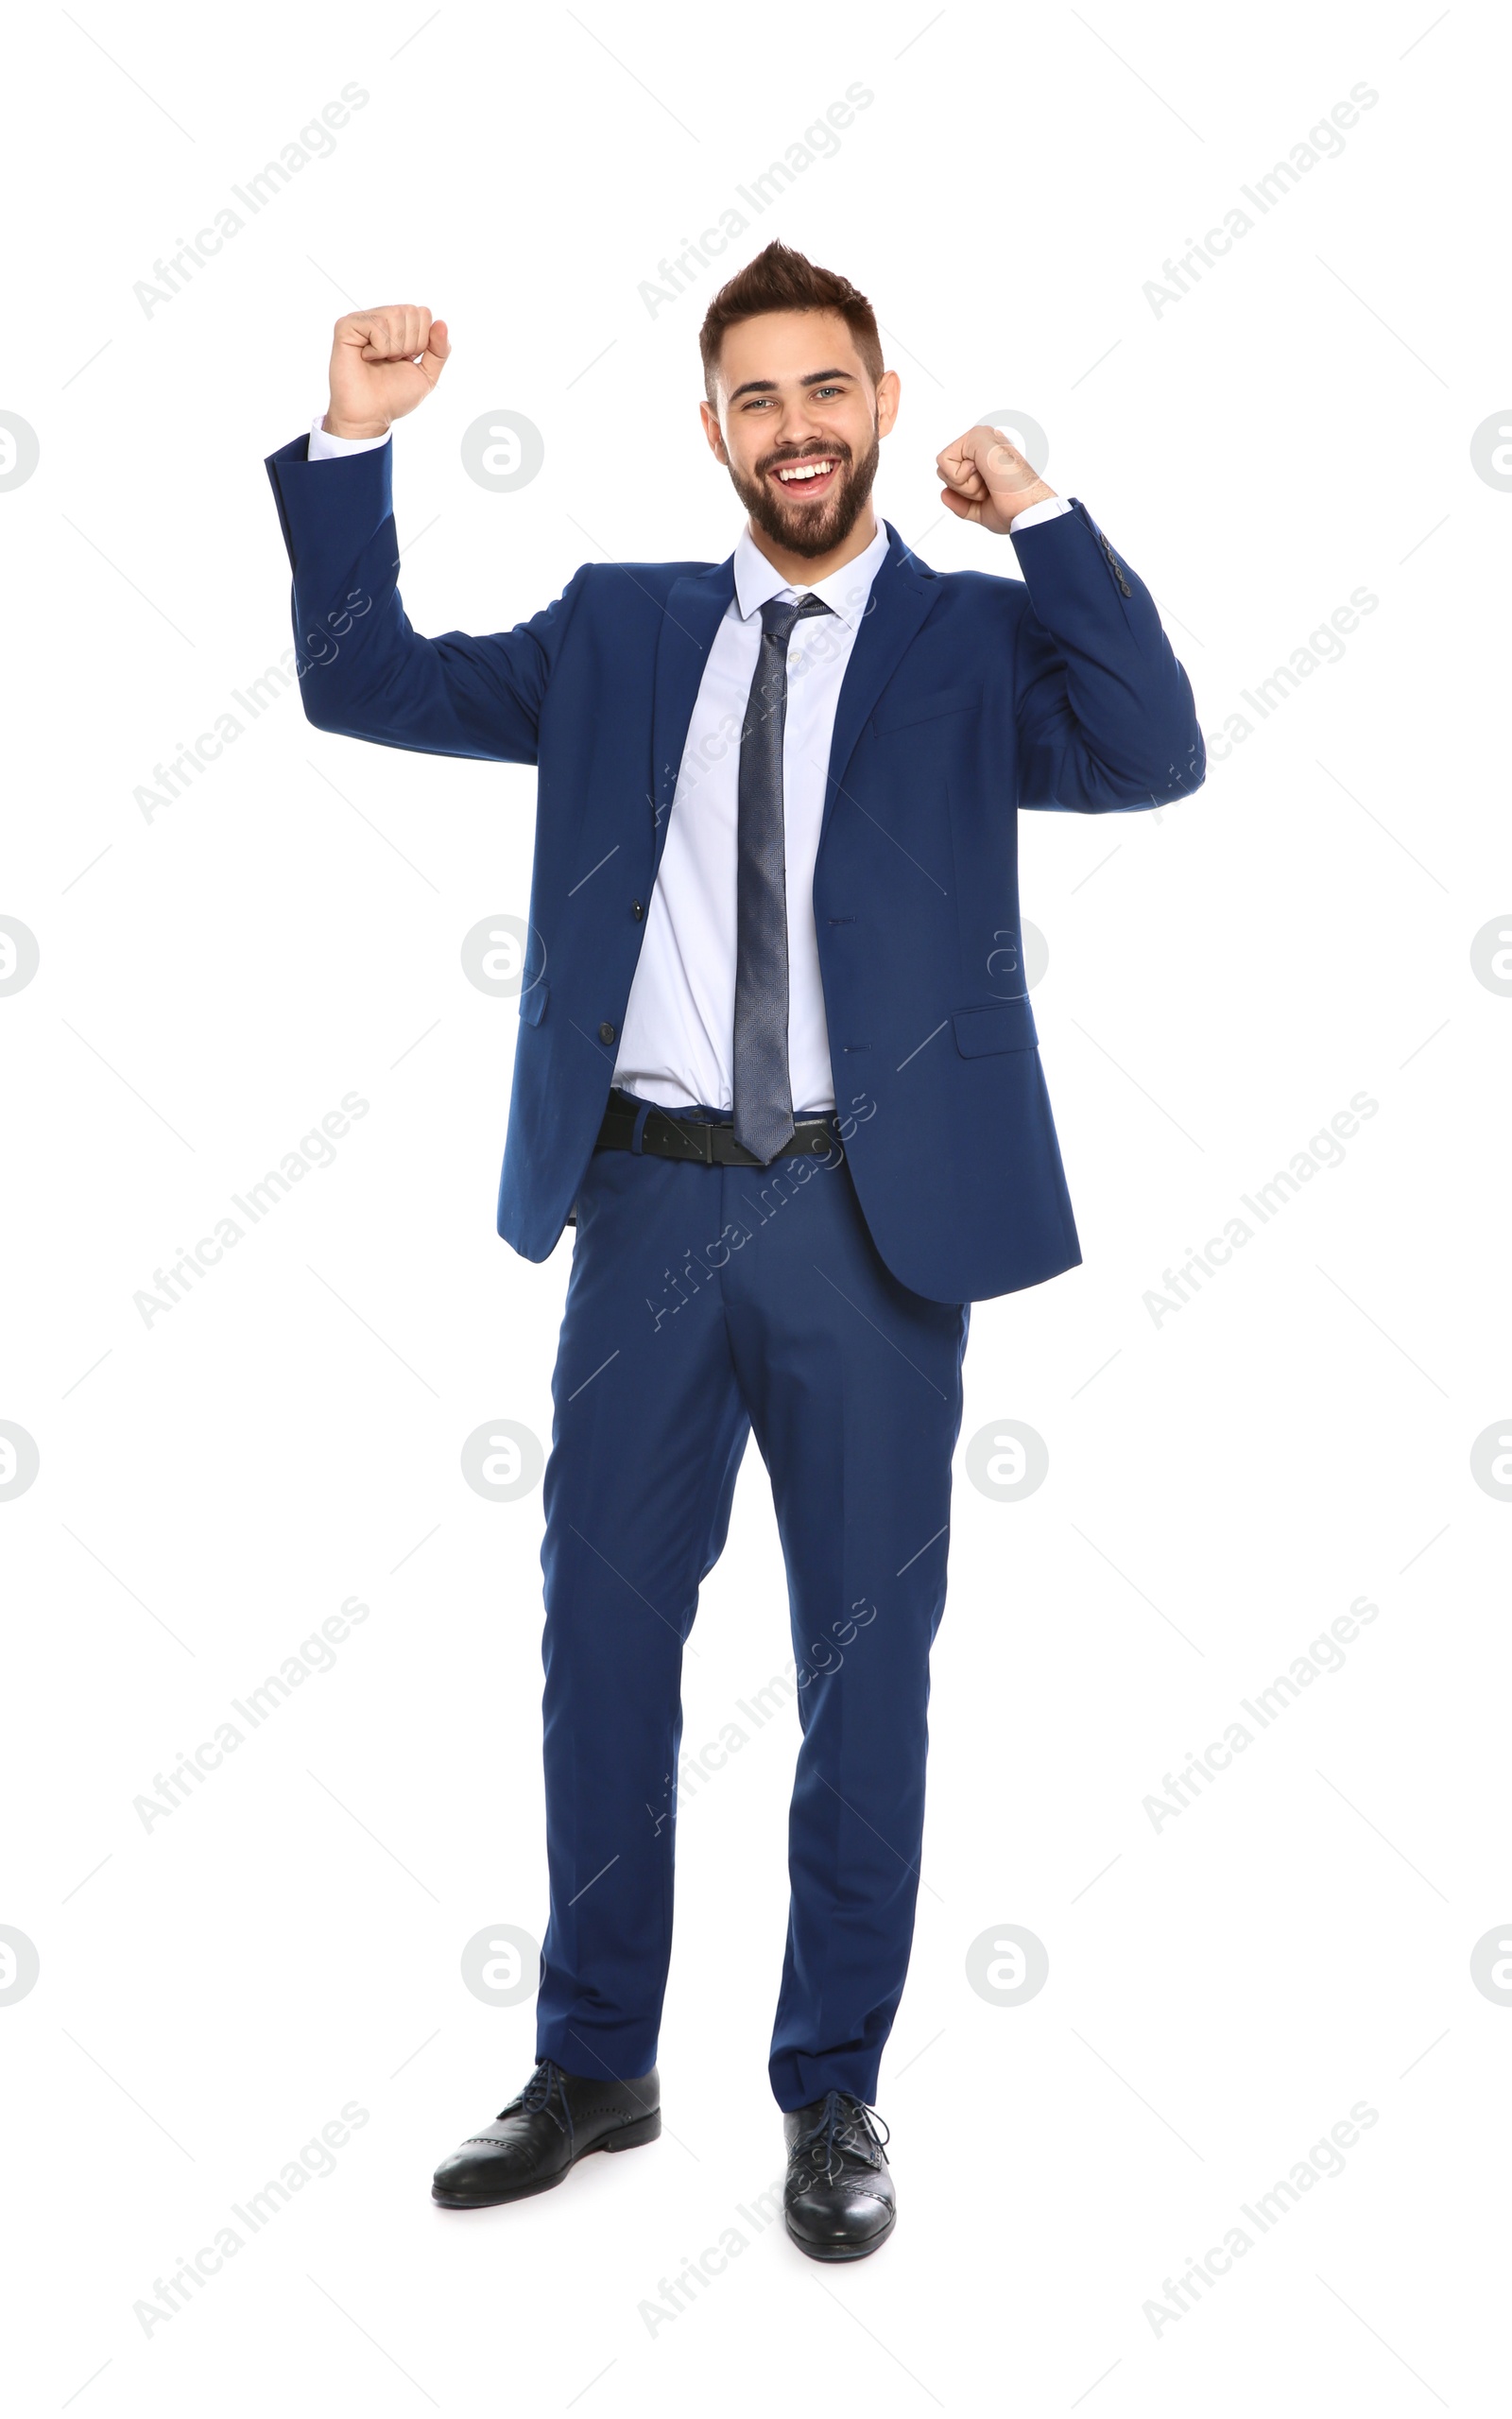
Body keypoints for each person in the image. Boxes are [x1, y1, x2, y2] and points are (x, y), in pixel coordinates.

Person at [265, 240, 1204, 2261]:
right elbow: (366, 678)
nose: (796, 427)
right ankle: (595, 2057)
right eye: (757, 397)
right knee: (598, 1644)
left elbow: (1150, 748)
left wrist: (1035, 510)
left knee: (862, 1675)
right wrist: (353, 441)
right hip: (648, 1201)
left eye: (827, 389)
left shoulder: (968, 652)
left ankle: (833, 2089)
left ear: (879, 404)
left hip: (875, 1221)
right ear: (712, 430)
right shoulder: (612, 633)